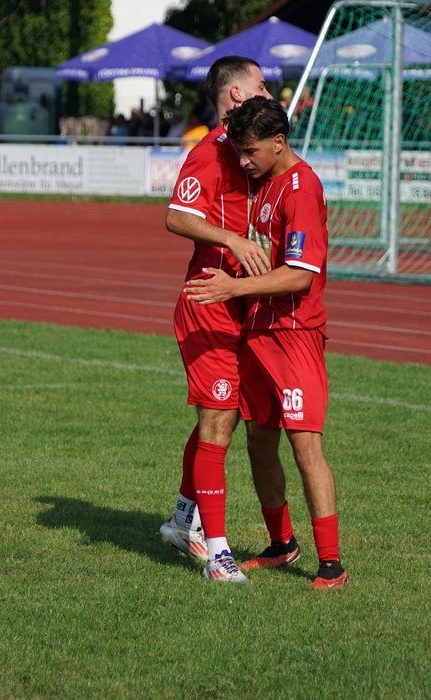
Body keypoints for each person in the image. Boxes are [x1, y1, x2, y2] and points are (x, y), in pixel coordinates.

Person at [186, 96, 348, 590]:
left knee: (305, 447)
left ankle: (332, 564)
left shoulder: (302, 189)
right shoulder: (263, 180)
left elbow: (300, 275)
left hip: (294, 334)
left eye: (251, 151)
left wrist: (232, 289)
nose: (243, 160)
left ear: (279, 143)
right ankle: (282, 543)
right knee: (259, 442)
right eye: (239, 150)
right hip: (257, 332)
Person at [159, 56, 272, 584]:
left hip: (243, 304)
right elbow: (175, 216)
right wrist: (233, 240)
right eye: (261, 85)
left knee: (219, 418)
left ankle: (184, 520)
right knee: (219, 420)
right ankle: (219, 557)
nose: (269, 91)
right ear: (236, 95)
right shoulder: (209, 153)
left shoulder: (253, 149)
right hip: (208, 305)